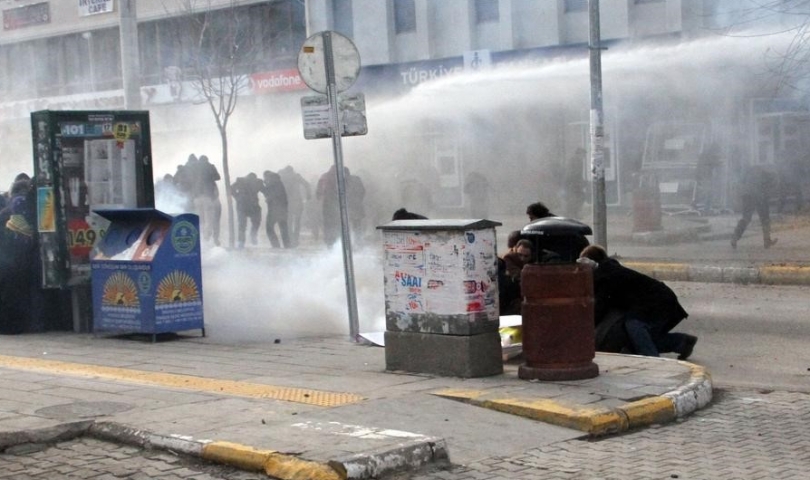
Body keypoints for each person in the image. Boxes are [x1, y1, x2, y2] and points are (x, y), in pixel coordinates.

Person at [579, 245, 698, 359]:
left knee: (634, 325)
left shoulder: (607, 276)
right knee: (639, 340)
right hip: (661, 300)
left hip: (658, 303)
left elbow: (600, 308)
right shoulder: (610, 271)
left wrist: (584, 328)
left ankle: (652, 359)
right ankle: (682, 343)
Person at [730, 165, 778, 249]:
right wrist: (767, 193)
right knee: (765, 219)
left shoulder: (750, 170)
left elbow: (742, 182)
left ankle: (735, 238)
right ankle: (767, 240)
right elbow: (770, 186)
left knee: (746, 218)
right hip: (760, 196)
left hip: (747, 195)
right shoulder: (769, 173)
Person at [278, 165, 311, 247]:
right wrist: (308, 195)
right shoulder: (296, 176)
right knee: (297, 222)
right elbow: (307, 184)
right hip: (297, 202)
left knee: (289, 222)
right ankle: (295, 239)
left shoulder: (282, 177)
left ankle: (290, 239)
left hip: (286, 203)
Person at [230, 173, 264, 249]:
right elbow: (231, 189)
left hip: (252, 205)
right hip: (243, 205)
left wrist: (237, 196)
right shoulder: (241, 181)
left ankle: (251, 236)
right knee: (242, 224)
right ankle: (241, 242)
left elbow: (265, 191)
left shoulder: (257, 183)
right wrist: (237, 196)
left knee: (254, 222)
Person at [262, 170, 290, 248]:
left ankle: (276, 245)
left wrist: (269, 198)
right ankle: (287, 245)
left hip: (274, 209)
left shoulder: (272, 182)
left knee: (269, 228)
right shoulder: (278, 182)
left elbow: (271, 193)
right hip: (283, 209)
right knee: (283, 228)